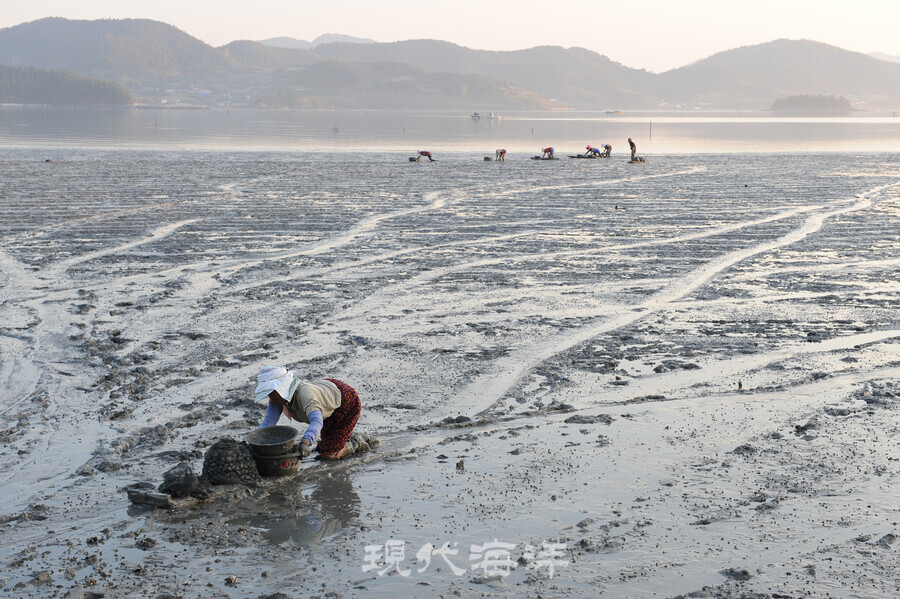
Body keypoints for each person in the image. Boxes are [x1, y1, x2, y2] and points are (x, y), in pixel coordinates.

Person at [255, 366, 361, 460]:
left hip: (345, 402)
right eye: (268, 393)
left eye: (272, 392)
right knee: (326, 443)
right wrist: (257, 441)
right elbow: (269, 421)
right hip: (324, 394)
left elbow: (317, 421)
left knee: (329, 453)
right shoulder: (278, 398)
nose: (270, 397)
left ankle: (358, 441)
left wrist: (306, 442)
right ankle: (343, 437)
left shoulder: (306, 396)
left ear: (282, 388)